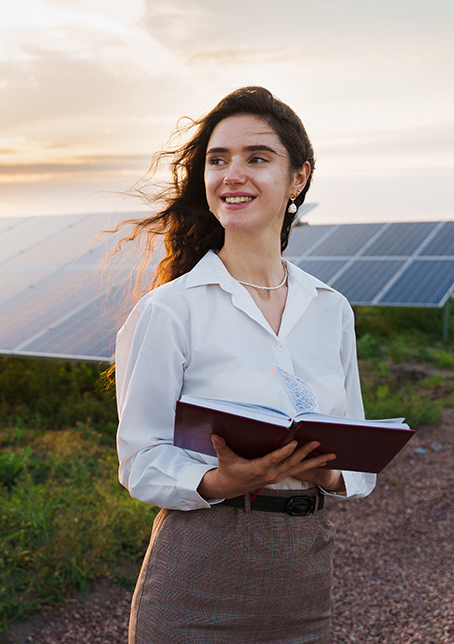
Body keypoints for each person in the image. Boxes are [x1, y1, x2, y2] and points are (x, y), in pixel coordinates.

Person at [113, 86, 376, 643]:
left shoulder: (330, 309)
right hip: (199, 568)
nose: (233, 174)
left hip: (305, 577)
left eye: (257, 157)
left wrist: (324, 470)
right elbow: (140, 459)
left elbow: (357, 460)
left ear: (298, 178)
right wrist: (218, 479)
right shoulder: (169, 310)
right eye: (218, 159)